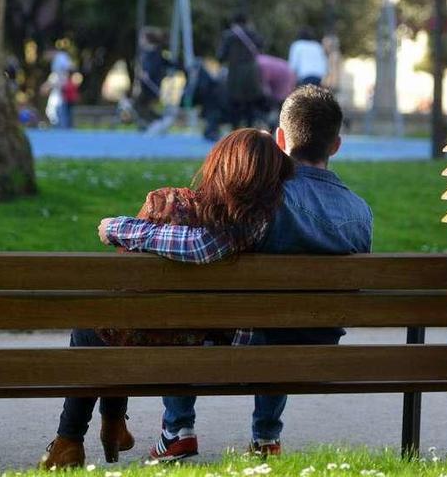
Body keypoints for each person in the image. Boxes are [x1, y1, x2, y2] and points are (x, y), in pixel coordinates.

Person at [99, 85, 373, 461]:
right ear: (337, 145)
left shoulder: (264, 198)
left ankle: (178, 427)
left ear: (280, 138)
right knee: (285, 318)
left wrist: (124, 228)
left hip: (247, 345)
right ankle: (265, 437)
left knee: (191, 292)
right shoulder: (361, 213)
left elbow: (203, 247)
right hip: (319, 344)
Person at [40, 128, 295, 469]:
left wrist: (120, 228)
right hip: (220, 342)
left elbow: (198, 247)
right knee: (108, 325)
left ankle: (72, 439)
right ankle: (110, 426)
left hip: (195, 352)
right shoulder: (263, 222)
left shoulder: (226, 230)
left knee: (94, 328)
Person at [218, 13, 264, 128]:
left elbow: (220, 56)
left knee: (235, 106)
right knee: (250, 106)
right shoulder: (253, 34)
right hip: (252, 74)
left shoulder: (228, 35)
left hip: (235, 74)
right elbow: (261, 46)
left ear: (234, 22)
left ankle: (235, 134)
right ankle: (250, 134)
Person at [134, 28, 174, 129]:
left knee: (141, 105)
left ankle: (159, 120)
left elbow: (155, 67)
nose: (140, 41)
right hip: (146, 85)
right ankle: (153, 122)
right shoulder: (146, 52)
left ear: (147, 40)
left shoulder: (155, 52)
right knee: (140, 105)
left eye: (142, 38)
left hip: (152, 85)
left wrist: (147, 74)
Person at [256, 54, 296, 130]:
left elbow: (265, 87)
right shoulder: (260, 60)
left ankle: (277, 128)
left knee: (280, 105)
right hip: (287, 71)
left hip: (284, 78)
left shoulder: (260, 65)